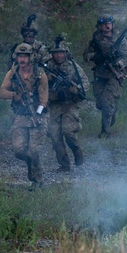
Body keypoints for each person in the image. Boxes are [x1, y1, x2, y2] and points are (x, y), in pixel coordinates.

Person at [0, 43, 49, 189]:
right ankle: (30, 164)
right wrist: (14, 95)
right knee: (19, 150)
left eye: (25, 56)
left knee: (35, 150)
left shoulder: (40, 74)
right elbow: (1, 92)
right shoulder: (12, 73)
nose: (22, 59)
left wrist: (38, 113)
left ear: (30, 57)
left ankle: (37, 180)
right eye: (19, 56)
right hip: (20, 116)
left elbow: (44, 100)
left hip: (37, 116)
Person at [44, 38, 89, 171]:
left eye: (61, 52)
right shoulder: (46, 67)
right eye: (56, 53)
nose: (59, 55)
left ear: (65, 53)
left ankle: (76, 151)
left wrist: (77, 89)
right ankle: (64, 164)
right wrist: (46, 79)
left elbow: (85, 83)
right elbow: (37, 83)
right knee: (54, 135)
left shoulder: (73, 66)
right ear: (52, 54)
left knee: (68, 131)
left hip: (70, 104)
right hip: (54, 104)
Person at [83, 14, 127, 137]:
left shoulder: (120, 39)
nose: (107, 26)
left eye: (109, 23)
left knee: (107, 102)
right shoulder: (95, 39)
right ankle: (112, 112)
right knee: (100, 103)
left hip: (114, 74)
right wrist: (95, 57)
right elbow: (86, 54)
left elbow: (126, 57)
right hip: (100, 74)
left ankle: (105, 131)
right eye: (104, 24)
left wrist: (117, 63)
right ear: (99, 26)